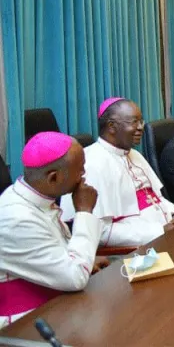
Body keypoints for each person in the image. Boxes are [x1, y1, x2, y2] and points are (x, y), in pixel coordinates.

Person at [0, 132, 107, 328]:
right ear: (54, 177)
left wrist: (85, 259)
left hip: (58, 302)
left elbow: (55, 255)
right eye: (80, 171)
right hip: (26, 324)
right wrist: (84, 211)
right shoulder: (17, 218)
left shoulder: (35, 198)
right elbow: (74, 278)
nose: (83, 176)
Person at [60, 98, 174, 247]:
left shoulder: (134, 155)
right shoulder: (92, 164)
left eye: (141, 121)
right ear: (111, 126)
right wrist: (159, 231)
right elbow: (99, 232)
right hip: (134, 253)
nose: (141, 127)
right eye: (134, 122)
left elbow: (154, 197)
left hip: (166, 238)